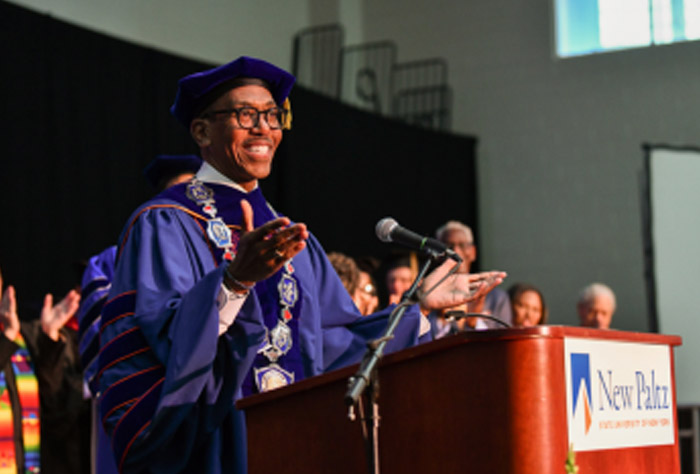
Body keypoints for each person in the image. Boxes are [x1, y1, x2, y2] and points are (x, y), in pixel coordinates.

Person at [97, 56, 504, 473]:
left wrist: (418, 306)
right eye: (245, 114)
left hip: (298, 445)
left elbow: (336, 345)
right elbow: (161, 341)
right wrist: (234, 282)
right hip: (214, 449)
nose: (264, 128)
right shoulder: (167, 221)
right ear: (201, 130)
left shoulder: (294, 243)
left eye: (273, 116)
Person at [77, 154, 202, 474]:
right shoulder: (113, 259)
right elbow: (104, 345)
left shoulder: (217, 255)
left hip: (205, 400)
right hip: (141, 401)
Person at [0, 266, 86, 474]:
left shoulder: (24, 337)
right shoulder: (11, 337)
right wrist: (7, 339)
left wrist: (49, 338)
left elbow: (55, 408)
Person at [435, 220, 513, 328]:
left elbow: (502, 341)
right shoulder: (427, 295)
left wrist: (473, 322)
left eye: (462, 245)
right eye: (449, 246)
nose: (456, 250)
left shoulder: (496, 299)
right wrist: (439, 319)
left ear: (473, 252)